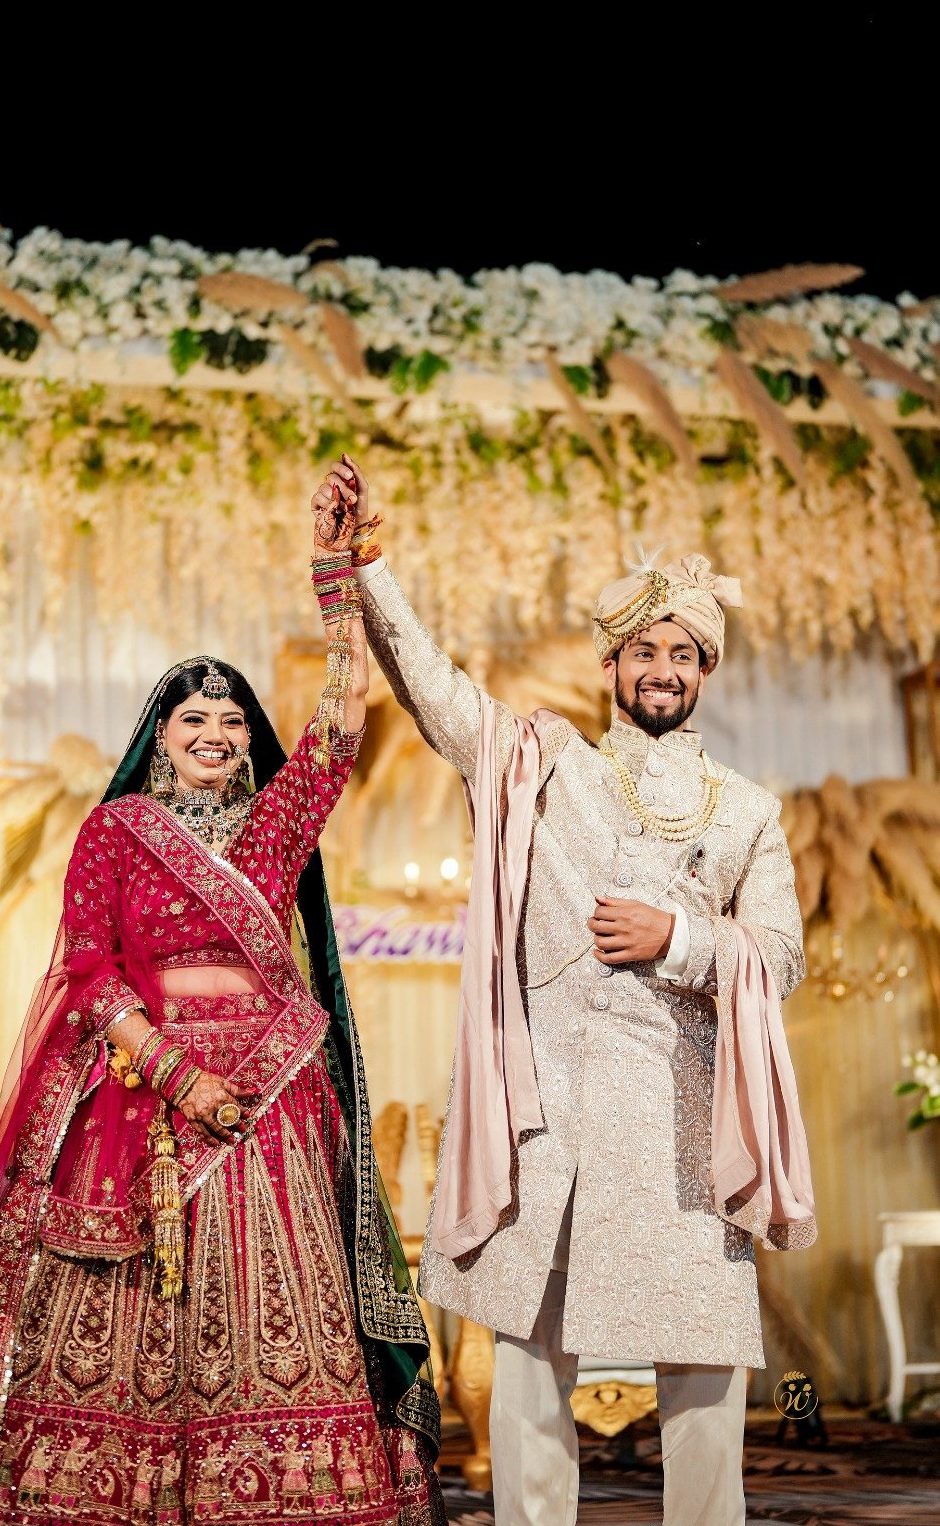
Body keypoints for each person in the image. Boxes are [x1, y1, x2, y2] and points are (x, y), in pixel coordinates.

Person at [0, 479, 444, 1526]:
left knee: (281, 1296)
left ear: (248, 740)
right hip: (143, 1096)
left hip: (270, 1105)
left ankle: (287, 1487)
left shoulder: (275, 826)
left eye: (231, 719)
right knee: (124, 1303)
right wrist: (174, 1071)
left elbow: (344, 719)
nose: (215, 731)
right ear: (159, 735)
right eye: (193, 717)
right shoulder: (114, 831)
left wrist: (334, 577)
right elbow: (89, 968)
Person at [312, 458, 816, 1526]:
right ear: (612, 662)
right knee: (530, 1379)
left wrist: (681, 938)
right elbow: (436, 690)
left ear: (704, 670)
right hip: (552, 1124)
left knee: (703, 1383)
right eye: (645, 651)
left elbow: (778, 958)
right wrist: (371, 568)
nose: (663, 670)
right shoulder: (547, 769)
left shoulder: (746, 812)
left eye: (683, 653)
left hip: (684, 1132)